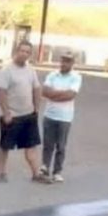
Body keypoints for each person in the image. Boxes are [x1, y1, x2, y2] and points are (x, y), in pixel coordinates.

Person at [0, 41, 45, 184]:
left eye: (27, 52)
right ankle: (1, 173)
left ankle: (36, 174)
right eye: (22, 51)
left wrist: (36, 108)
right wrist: (6, 112)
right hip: (12, 115)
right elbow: (1, 91)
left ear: (30, 54)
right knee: (5, 146)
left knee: (31, 146)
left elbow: (36, 88)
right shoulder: (7, 70)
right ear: (16, 51)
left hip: (28, 114)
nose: (24, 54)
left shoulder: (31, 70)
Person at [41, 54, 83, 184]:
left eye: (68, 62)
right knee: (48, 144)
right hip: (49, 114)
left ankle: (57, 171)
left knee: (61, 145)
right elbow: (45, 91)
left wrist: (54, 95)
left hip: (65, 117)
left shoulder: (76, 77)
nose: (65, 64)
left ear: (72, 64)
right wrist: (60, 94)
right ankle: (45, 167)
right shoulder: (52, 75)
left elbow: (70, 95)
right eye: (63, 61)